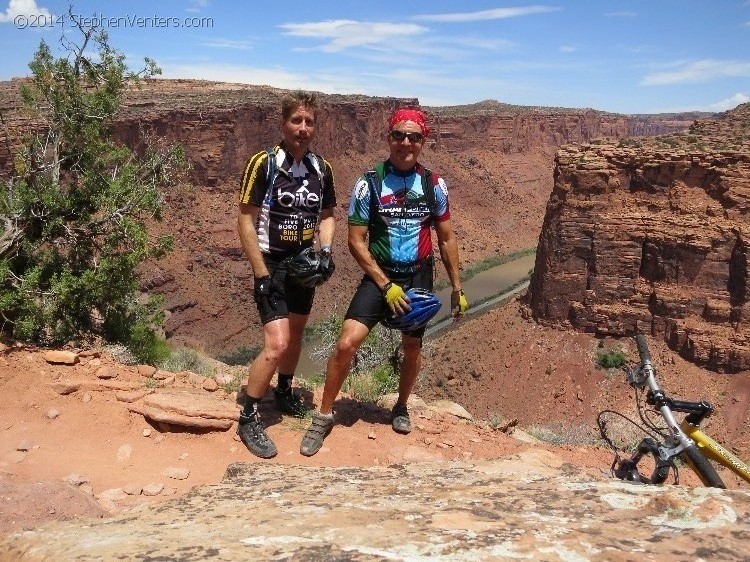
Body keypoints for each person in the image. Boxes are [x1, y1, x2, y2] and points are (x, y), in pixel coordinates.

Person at [300, 108, 468, 457]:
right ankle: (324, 414)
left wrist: (457, 288)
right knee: (347, 343)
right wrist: (384, 284)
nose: (405, 143)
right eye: (399, 135)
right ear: (389, 137)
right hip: (381, 276)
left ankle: (401, 406)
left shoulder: (434, 185)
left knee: (411, 347)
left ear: (423, 141)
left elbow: (447, 238)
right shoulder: (369, 183)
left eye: (414, 137)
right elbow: (355, 241)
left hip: (419, 274)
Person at [236, 90, 336, 459]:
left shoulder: (321, 169)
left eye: (310, 121)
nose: (303, 128)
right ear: (283, 123)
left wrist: (325, 252)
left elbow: (326, 215)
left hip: (302, 263)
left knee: (295, 337)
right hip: (272, 262)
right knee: (276, 344)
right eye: (297, 120)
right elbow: (245, 219)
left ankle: (284, 391)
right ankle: (248, 415)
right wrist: (260, 272)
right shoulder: (263, 164)